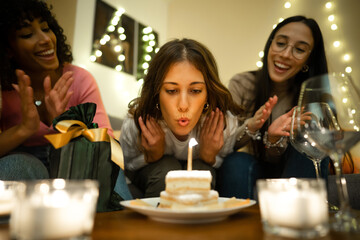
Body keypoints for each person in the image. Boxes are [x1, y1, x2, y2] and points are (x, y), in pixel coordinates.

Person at [217, 15, 331, 199]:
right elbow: (224, 144)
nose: (285, 55)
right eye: (280, 43)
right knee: (236, 161)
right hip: (249, 165)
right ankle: (236, 226)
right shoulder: (242, 83)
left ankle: (294, 220)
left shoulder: (313, 96)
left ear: (308, 60)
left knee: (310, 142)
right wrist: (251, 125)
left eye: (299, 49)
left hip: (295, 167)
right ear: (270, 45)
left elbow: (322, 151)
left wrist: (274, 140)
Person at [0, 0, 113, 180]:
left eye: (45, 29)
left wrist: (65, 125)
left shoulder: (79, 79)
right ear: (7, 50)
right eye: (28, 34)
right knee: (16, 166)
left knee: (106, 171)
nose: (45, 39)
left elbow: (109, 148)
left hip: (77, 159)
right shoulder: (3, 90)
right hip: (25, 161)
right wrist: (24, 129)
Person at [120, 38, 244, 197]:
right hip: (149, 175)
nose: (183, 105)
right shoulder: (138, 122)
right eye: (172, 90)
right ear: (157, 92)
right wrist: (150, 157)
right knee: (166, 169)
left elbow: (227, 166)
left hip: (204, 172)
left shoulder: (223, 123)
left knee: (201, 172)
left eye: (196, 90)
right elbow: (125, 167)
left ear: (208, 93)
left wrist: (210, 158)